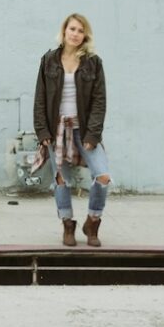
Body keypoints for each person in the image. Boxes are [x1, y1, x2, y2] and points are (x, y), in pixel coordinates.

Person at [31, 13, 110, 247]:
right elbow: (40, 99)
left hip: (82, 129)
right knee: (61, 179)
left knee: (103, 175)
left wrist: (92, 134)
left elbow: (99, 100)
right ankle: (67, 224)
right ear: (64, 30)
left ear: (85, 35)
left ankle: (92, 221)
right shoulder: (49, 60)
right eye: (72, 29)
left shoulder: (93, 63)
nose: (75, 34)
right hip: (56, 130)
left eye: (80, 30)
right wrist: (42, 131)